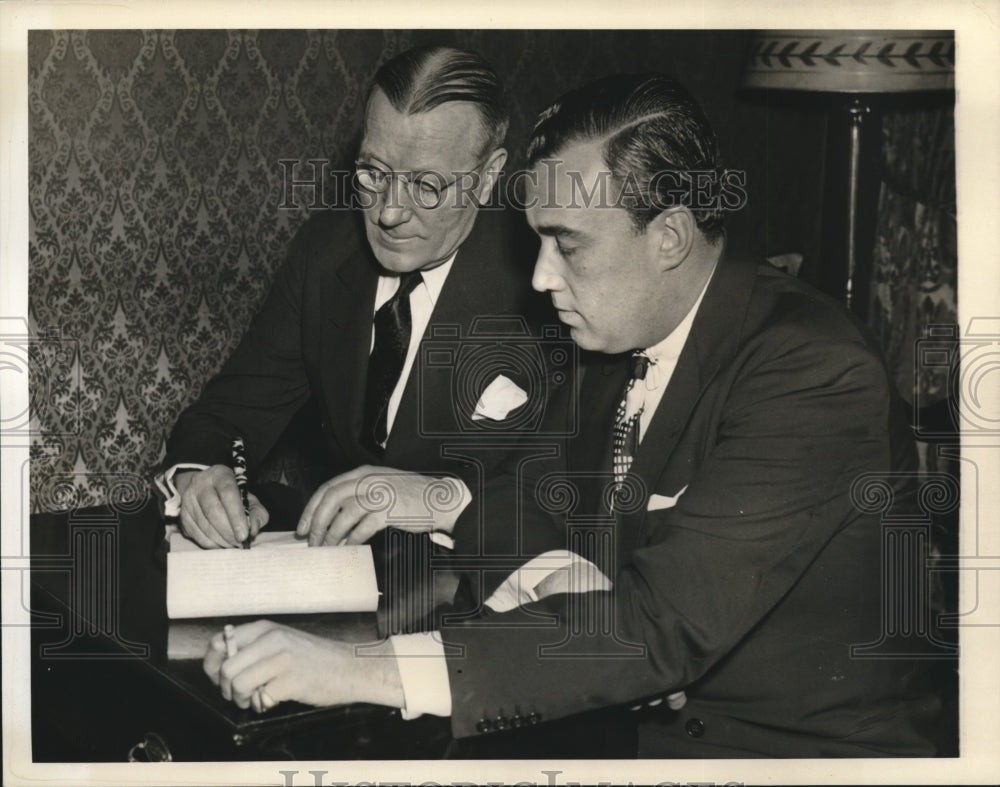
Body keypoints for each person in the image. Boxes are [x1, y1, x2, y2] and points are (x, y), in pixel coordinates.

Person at [203, 73, 939, 757]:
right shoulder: (614, 337)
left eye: (568, 244)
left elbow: (654, 633)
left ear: (670, 237)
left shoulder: (814, 373)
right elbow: (524, 496)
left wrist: (357, 667)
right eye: (537, 238)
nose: (540, 276)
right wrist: (528, 555)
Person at [156, 45, 546, 553]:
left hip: (481, 577)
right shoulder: (326, 254)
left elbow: (570, 488)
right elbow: (227, 414)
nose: (388, 213)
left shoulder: (547, 281)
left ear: (488, 177)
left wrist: (443, 497)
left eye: (426, 185)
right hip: (344, 573)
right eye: (373, 173)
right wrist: (200, 478)